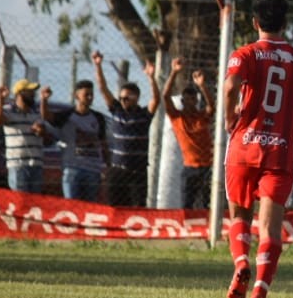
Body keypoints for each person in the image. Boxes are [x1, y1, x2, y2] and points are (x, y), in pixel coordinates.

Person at [222, 0, 293, 298]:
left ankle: (241, 264)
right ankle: (259, 295)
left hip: (243, 147)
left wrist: (228, 118)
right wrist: (291, 106)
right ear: (286, 23)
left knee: (239, 215)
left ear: (255, 23)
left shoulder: (246, 53)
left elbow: (230, 86)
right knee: (270, 229)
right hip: (278, 152)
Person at [93, 51, 159, 207]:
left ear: (136, 97)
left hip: (138, 172)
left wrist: (151, 77)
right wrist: (98, 65)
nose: (123, 100)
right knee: (115, 207)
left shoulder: (144, 115)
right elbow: (103, 88)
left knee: (137, 207)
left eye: (127, 98)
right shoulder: (116, 111)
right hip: (117, 171)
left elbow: (156, 99)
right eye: (121, 97)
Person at [161, 57, 215, 209]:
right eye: (187, 100)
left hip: (207, 167)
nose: (190, 103)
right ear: (183, 102)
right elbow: (165, 96)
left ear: (196, 102)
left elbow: (211, 106)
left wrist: (202, 86)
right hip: (189, 167)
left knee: (208, 204)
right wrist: (174, 72)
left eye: (193, 100)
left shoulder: (201, 116)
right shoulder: (177, 117)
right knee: (187, 205)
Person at [43, 78, 108, 202]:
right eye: (86, 94)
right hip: (73, 168)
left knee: (90, 205)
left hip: (93, 169)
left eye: (91, 94)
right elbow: (47, 116)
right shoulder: (67, 115)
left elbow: (103, 142)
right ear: (77, 95)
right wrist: (44, 99)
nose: (89, 97)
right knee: (72, 205)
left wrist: (106, 165)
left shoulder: (98, 117)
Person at [0, 79, 49, 194]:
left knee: (35, 202)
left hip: (36, 163)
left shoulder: (36, 112)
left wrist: (41, 131)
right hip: (18, 164)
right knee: (20, 199)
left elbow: (46, 135)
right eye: (30, 91)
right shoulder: (8, 110)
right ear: (20, 93)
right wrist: (0, 100)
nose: (33, 94)